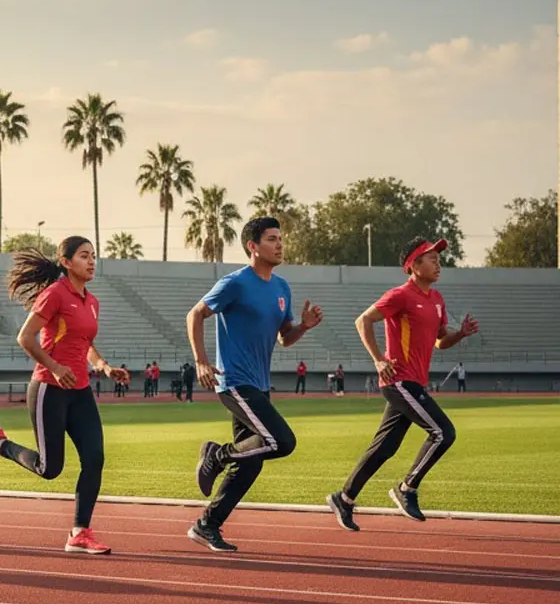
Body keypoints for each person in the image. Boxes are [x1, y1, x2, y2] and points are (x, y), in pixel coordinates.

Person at [0, 237, 130, 554]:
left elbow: (85, 345)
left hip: (80, 391)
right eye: (84, 256)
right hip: (48, 388)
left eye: (94, 256)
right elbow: (25, 337)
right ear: (66, 262)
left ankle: (79, 532)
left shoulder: (92, 302)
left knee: (95, 459)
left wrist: (104, 367)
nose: (91, 261)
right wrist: (55, 367)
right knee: (49, 468)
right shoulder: (54, 294)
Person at [186, 217, 322, 552]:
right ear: (253, 246)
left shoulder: (281, 288)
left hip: (260, 384)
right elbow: (195, 314)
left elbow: (284, 338)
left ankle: (207, 525)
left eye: (280, 238)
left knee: (251, 462)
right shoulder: (235, 283)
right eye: (272, 239)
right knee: (281, 441)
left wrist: (302, 326)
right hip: (233, 381)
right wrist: (203, 361)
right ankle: (216, 455)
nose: (279, 244)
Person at [328, 238, 477, 530]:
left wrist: (460, 334)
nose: (438, 263)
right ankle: (407, 488)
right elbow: (363, 321)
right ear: (413, 265)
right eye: (431, 258)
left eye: (438, 258)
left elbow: (440, 341)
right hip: (398, 381)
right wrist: (379, 360)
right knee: (443, 432)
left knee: (384, 447)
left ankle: (343, 498)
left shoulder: (437, 299)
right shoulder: (400, 295)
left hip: (414, 383)